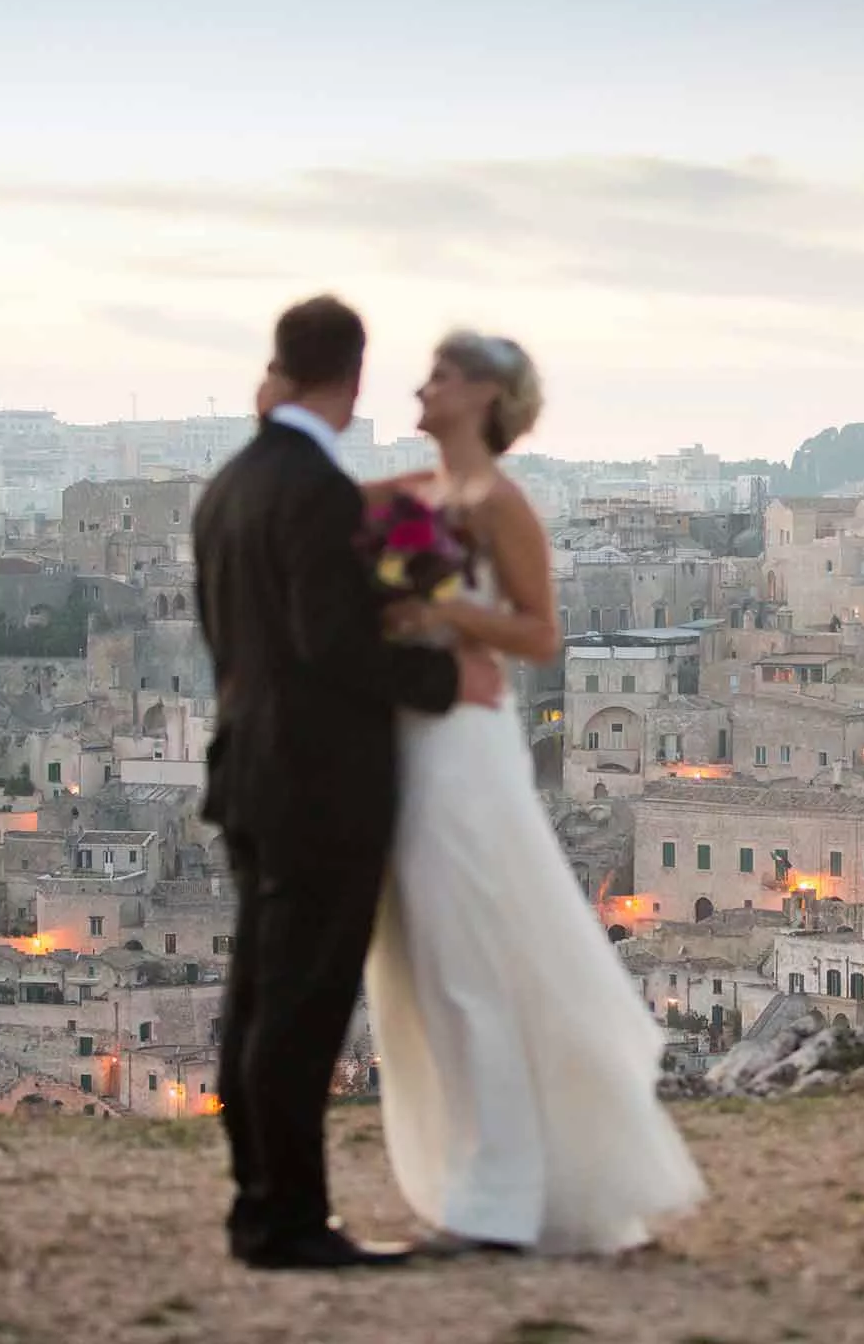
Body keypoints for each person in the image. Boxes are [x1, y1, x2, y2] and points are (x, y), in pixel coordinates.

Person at [265, 329, 707, 1255]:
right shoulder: (417, 494)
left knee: (472, 961)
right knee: (432, 963)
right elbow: (323, 504)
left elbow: (542, 634)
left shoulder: (501, 503)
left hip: (464, 740)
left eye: (441, 376)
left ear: (482, 398)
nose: (421, 388)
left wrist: (440, 609)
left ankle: (498, 1204)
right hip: (408, 735)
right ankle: (488, 1186)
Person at [193, 296, 505, 1271]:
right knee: (300, 1005)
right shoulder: (318, 494)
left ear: (281, 365)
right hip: (317, 785)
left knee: (258, 997)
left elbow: (235, 641)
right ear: (355, 378)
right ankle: (285, 1221)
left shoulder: (228, 487)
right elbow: (330, 645)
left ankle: (259, 1205)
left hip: (248, 769)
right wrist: (443, 676)